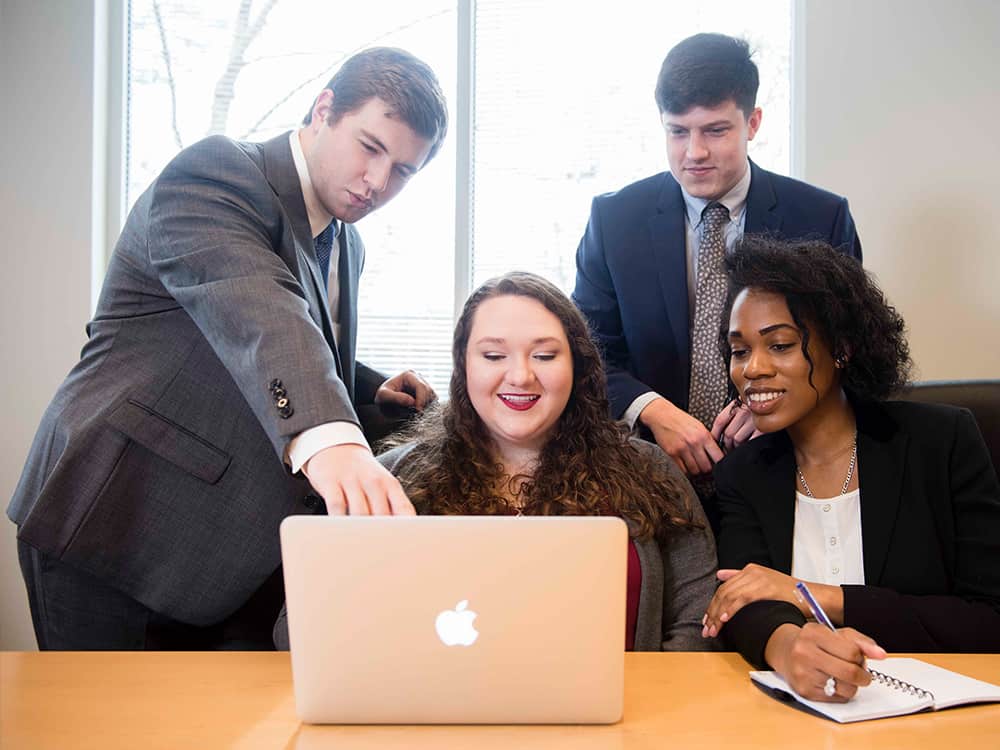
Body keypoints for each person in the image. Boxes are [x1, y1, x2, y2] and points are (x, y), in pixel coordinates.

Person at [8, 47, 448, 650]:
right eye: (371, 148)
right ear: (324, 110)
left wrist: (369, 388)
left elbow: (291, 337)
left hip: (233, 548)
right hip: (119, 523)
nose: (378, 182)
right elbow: (256, 311)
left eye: (403, 170)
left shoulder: (347, 245)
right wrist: (335, 440)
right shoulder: (219, 174)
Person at [274, 272, 718, 651]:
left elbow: (695, 618)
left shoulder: (648, 471)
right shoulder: (391, 477)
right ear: (463, 367)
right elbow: (297, 629)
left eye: (544, 355)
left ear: (578, 365)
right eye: (493, 356)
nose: (521, 375)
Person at [572, 33, 862, 527]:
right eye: (678, 132)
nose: (695, 152)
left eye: (715, 130)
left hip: (783, 470)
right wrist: (652, 411)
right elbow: (587, 350)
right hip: (646, 479)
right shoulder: (614, 218)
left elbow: (847, 345)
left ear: (753, 123)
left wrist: (777, 400)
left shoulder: (820, 216)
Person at [702, 237, 1000, 703]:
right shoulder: (743, 473)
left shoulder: (941, 442)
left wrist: (809, 594)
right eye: (739, 351)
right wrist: (787, 645)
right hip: (807, 714)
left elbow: (988, 619)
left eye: (779, 345)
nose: (753, 369)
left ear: (841, 348)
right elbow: (742, 604)